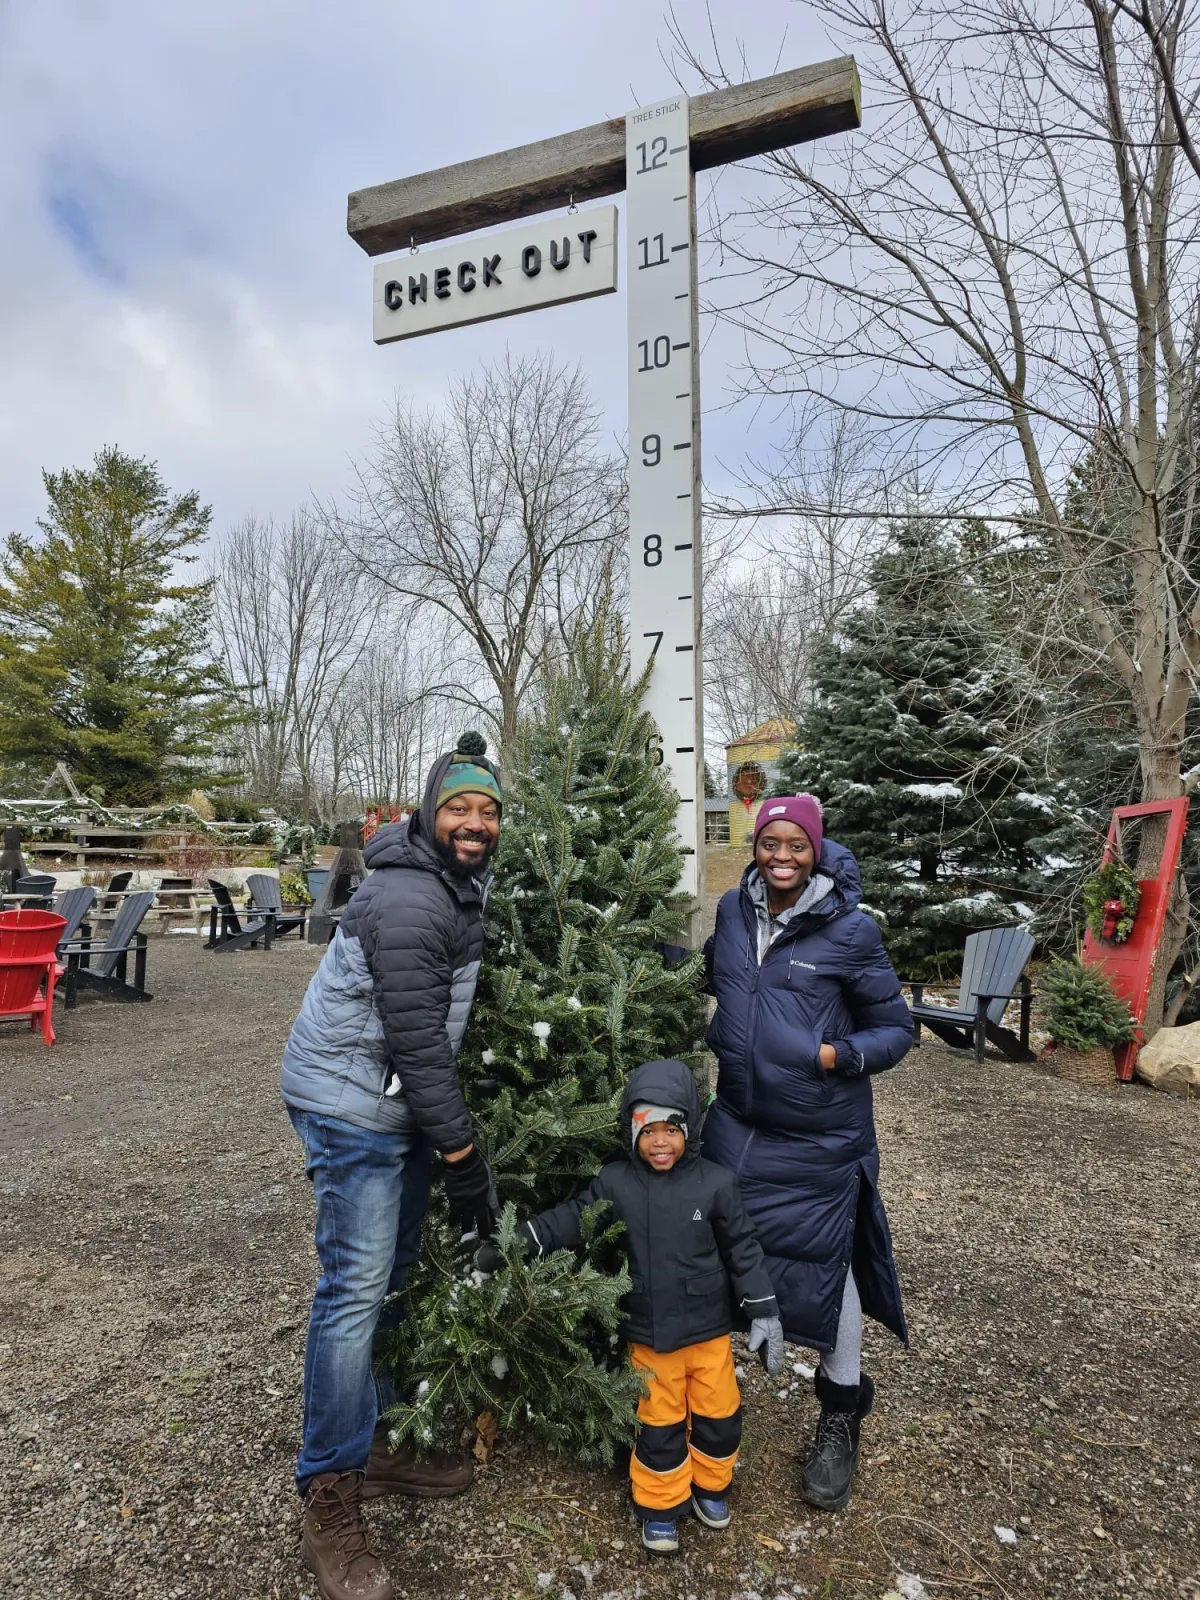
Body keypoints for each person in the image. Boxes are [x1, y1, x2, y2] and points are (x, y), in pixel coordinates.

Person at [280, 733, 502, 1600]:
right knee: (354, 1291)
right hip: (351, 1105)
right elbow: (417, 1041)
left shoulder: (453, 882)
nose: (475, 822)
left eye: (488, 810)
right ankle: (328, 1490)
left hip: (393, 1102)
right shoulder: (412, 899)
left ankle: (373, 1440)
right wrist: (464, 1161)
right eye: (459, 806)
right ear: (427, 812)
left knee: (394, 1277)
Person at [475, 1057, 784, 1557]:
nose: (660, 1141)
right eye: (647, 1130)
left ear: (689, 1128)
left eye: (670, 1128)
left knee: (719, 1414)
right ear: (631, 1131)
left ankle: (712, 1485)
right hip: (652, 1335)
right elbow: (571, 1220)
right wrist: (518, 1239)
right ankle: (660, 1506)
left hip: (708, 1334)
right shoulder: (616, 1182)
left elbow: (743, 1249)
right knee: (658, 1423)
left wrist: (764, 1309)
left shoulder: (716, 1183)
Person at [702, 794, 913, 1514]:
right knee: (720, 1252)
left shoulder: (851, 931)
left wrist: (836, 1054)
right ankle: (705, 1393)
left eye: (796, 844)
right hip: (736, 1122)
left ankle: (841, 1411)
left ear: (815, 849)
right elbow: (720, 981)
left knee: (828, 1268)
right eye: (770, 843)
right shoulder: (733, 913)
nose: (781, 857)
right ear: (756, 847)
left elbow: (897, 1029)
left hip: (822, 1133)